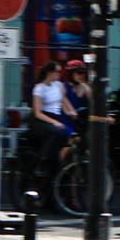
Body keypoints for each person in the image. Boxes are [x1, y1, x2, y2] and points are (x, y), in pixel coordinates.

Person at [29, 60, 75, 203]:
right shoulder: (39, 88)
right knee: (55, 132)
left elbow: (63, 102)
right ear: (50, 73)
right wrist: (55, 122)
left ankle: (60, 166)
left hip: (55, 117)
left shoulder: (58, 86)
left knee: (73, 136)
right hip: (42, 119)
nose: (59, 75)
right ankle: (43, 163)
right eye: (57, 72)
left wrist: (72, 112)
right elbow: (37, 113)